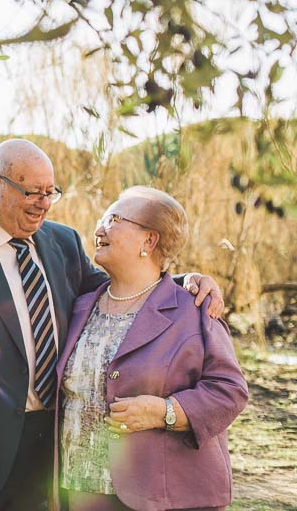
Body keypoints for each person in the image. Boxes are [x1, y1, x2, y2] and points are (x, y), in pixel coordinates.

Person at [0, 139, 224, 511]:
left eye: (50, 192)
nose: (43, 203)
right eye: (32, 192)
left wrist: (184, 280)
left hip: (46, 449)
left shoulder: (61, 241)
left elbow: (123, 290)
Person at [57, 187, 248, 511]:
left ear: (149, 241)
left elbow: (230, 391)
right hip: (80, 492)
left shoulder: (194, 310)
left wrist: (166, 412)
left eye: (114, 219)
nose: (99, 229)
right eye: (103, 219)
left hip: (162, 497)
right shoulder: (79, 306)